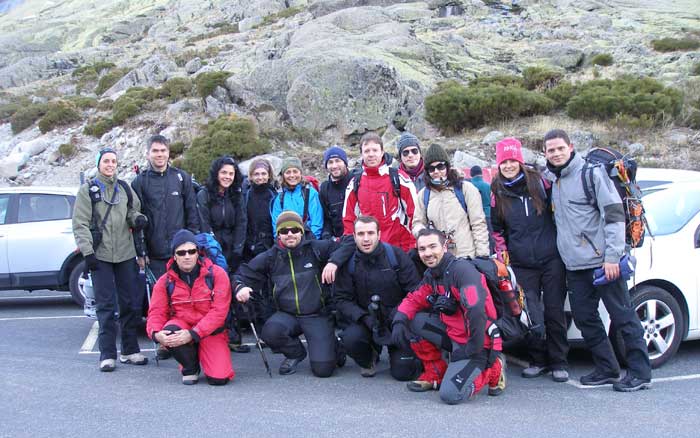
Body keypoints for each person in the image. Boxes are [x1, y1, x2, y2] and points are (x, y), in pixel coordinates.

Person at [543, 128, 651, 392]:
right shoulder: (554, 180)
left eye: (560, 148)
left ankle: (640, 373)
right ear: (544, 153)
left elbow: (614, 214)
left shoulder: (591, 174)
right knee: (585, 318)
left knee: (623, 316)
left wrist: (613, 256)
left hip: (604, 262)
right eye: (550, 150)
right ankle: (607, 367)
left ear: (570, 147)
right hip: (575, 265)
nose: (556, 154)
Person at [391, 229, 506, 404]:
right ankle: (436, 371)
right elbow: (415, 298)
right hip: (454, 334)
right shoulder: (433, 274)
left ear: (445, 247)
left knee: (450, 395)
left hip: (477, 342)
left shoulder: (462, 272)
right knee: (412, 319)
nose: (427, 253)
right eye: (422, 249)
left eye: (432, 246)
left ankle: (493, 368)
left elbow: (476, 312)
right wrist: (399, 320)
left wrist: (471, 349)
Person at [490, 137, 569, 382]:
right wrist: (504, 257)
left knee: (555, 311)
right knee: (531, 312)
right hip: (522, 263)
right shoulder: (497, 192)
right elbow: (496, 230)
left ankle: (558, 362)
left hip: (551, 259)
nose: (509, 165)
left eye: (513, 160)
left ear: (520, 161)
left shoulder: (540, 183)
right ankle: (537, 360)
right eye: (504, 161)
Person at [234, 211, 344, 377]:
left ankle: (334, 347)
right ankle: (295, 354)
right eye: (284, 231)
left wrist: (334, 262)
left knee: (323, 370)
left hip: (316, 314)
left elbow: (347, 243)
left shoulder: (316, 248)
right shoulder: (270, 257)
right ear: (278, 234)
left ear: (301, 231)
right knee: (270, 332)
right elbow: (240, 275)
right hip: (287, 315)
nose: (290, 234)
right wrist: (240, 287)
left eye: (294, 229)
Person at [72, 147, 149, 372]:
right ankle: (107, 354)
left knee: (131, 303)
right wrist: (88, 253)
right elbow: (80, 223)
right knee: (106, 306)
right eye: (106, 161)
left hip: (125, 253)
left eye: (113, 161)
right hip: (101, 255)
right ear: (99, 164)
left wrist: (139, 219)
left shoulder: (124, 187)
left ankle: (130, 349)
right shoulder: (88, 190)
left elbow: (132, 212)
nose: (110, 164)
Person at [334, 216, 422, 379]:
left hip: (397, 319)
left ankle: (400, 353)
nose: (366, 238)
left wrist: (399, 315)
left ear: (379, 234)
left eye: (370, 233)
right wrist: (364, 317)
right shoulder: (349, 262)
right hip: (366, 319)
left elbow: (415, 291)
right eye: (360, 234)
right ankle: (369, 358)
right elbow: (341, 299)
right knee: (351, 339)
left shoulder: (396, 256)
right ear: (354, 237)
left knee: (403, 373)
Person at [147, 229, 234, 386]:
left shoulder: (217, 274)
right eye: (181, 253)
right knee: (169, 331)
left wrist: (194, 334)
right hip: (181, 325)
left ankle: (202, 352)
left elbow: (219, 312)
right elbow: (156, 312)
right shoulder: (164, 281)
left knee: (219, 379)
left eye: (191, 251)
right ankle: (190, 367)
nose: (187, 256)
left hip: (210, 331)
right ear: (174, 256)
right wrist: (155, 334)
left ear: (198, 253)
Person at [196, 156, 249, 354]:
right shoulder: (205, 195)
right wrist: (213, 252)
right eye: (223, 173)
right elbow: (203, 223)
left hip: (232, 248)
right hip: (211, 248)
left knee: (233, 290)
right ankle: (216, 334)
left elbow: (242, 223)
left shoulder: (236, 195)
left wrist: (237, 250)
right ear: (216, 174)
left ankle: (234, 336)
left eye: (231, 173)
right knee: (215, 292)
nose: (227, 177)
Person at [131, 134, 200, 280]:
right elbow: (136, 220)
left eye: (163, 150)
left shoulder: (181, 178)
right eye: (155, 151)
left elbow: (192, 213)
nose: (160, 154)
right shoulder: (139, 182)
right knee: (161, 300)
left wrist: (192, 247)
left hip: (181, 254)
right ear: (148, 154)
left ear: (168, 153)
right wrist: (141, 252)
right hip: (155, 256)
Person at [342, 132, 418, 252]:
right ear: (361, 154)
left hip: (399, 250)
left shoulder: (399, 178)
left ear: (382, 152)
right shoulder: (354, 183)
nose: (371, 154)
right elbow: (348, 219)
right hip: (368, 252)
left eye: (375, 150)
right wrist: (352, 248)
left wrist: (413, 246)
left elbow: (415, 214)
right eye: (367, 151)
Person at [412, 143, 489, 259]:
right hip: (439, 258)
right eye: (431, 169)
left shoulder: (466, 189)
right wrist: (423, 233)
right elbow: (417, 222)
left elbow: (478, 223)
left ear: (447, 166)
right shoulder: (423, 195)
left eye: (440, 166)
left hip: (466, 256)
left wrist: (482, 256)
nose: (436, 171)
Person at [270, 157, 324, 240]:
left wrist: (312, 241)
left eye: (295, 171)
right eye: (288, 172)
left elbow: (317, 222)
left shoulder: (310, 193)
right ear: (283, 175)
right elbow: (275, 226)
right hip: (287, 242)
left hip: (308, 240)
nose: (292, 175)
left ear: (301, 173)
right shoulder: (280, 198)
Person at [319, 146, 352, 240]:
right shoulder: (324, 188)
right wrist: (327, 236)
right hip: (337, 240)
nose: (334, 166)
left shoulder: (356, 181)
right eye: (330, 162)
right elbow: (326, 218)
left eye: (338, 161)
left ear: (345, 163)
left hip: (358, 238)